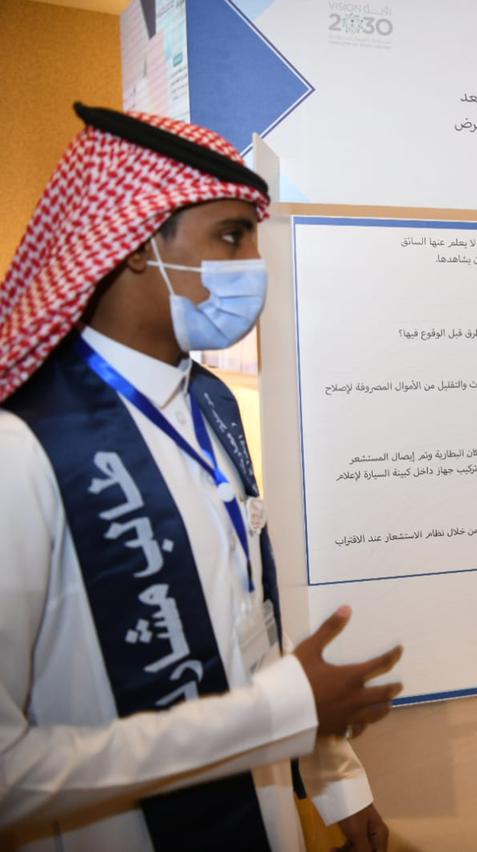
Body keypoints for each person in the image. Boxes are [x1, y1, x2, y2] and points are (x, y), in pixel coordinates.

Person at [0, 103, 404, 852]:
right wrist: (275, 716)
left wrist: (337, 780)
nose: (253, 264)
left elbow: (249, 621)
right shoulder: (21, 448)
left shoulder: (211, 404)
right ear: (135, 244)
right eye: (230, 235)